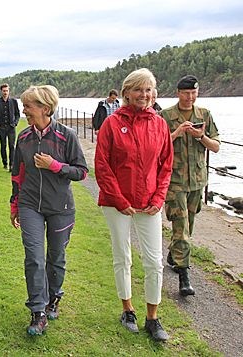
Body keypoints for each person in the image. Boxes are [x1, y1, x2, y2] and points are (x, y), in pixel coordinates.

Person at [94, 68, 173, 342]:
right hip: (118, 204)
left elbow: (166, 166)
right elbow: (102, 165)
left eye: (149, 89)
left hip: (149, 204)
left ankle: (153, 316)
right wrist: (119, 199)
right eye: (138, 89)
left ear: (154, 94)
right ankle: (127, 309)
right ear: (126, 92)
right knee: (122, 256)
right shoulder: (112, 124)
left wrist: (158, 198)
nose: (144, 94)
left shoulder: (160, 124)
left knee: (154, 261)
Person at [10, 85, 88, 336]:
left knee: (56, 257)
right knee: (34, 257)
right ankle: (38, 311)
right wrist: (15, 204)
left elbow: (82, 172)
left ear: (45, 108)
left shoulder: (67, 137)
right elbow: (17, 174)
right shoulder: (23, 138)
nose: (24, 111)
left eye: (28, 106)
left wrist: (55, 166)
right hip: (30, 204)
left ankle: (54, 297)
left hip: (61, 208)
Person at [160, 75, 220, 296]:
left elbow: (215, 147)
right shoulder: (166, 116)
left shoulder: (204, 115)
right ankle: (184, 275)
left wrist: (200, 136)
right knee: (181, 227)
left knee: (188, 226)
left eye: (194, 93)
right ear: (178, 93)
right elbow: (156, 148)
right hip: (174, 182)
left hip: (197, 181)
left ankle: (173, 255)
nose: (190, 97)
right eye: (186, 93)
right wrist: (177, 133)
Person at [0, 83, 20, 171]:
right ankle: (5, 163)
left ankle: (12, 164)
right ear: (1, 91)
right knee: (3, 145)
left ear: (9, 91)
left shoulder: (14, 101)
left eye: (7, 91)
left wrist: (15, 123)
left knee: (12, 146)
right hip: (1, 128)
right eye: (4, 91)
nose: (5, 92)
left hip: (11, 127)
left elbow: (17, 114)